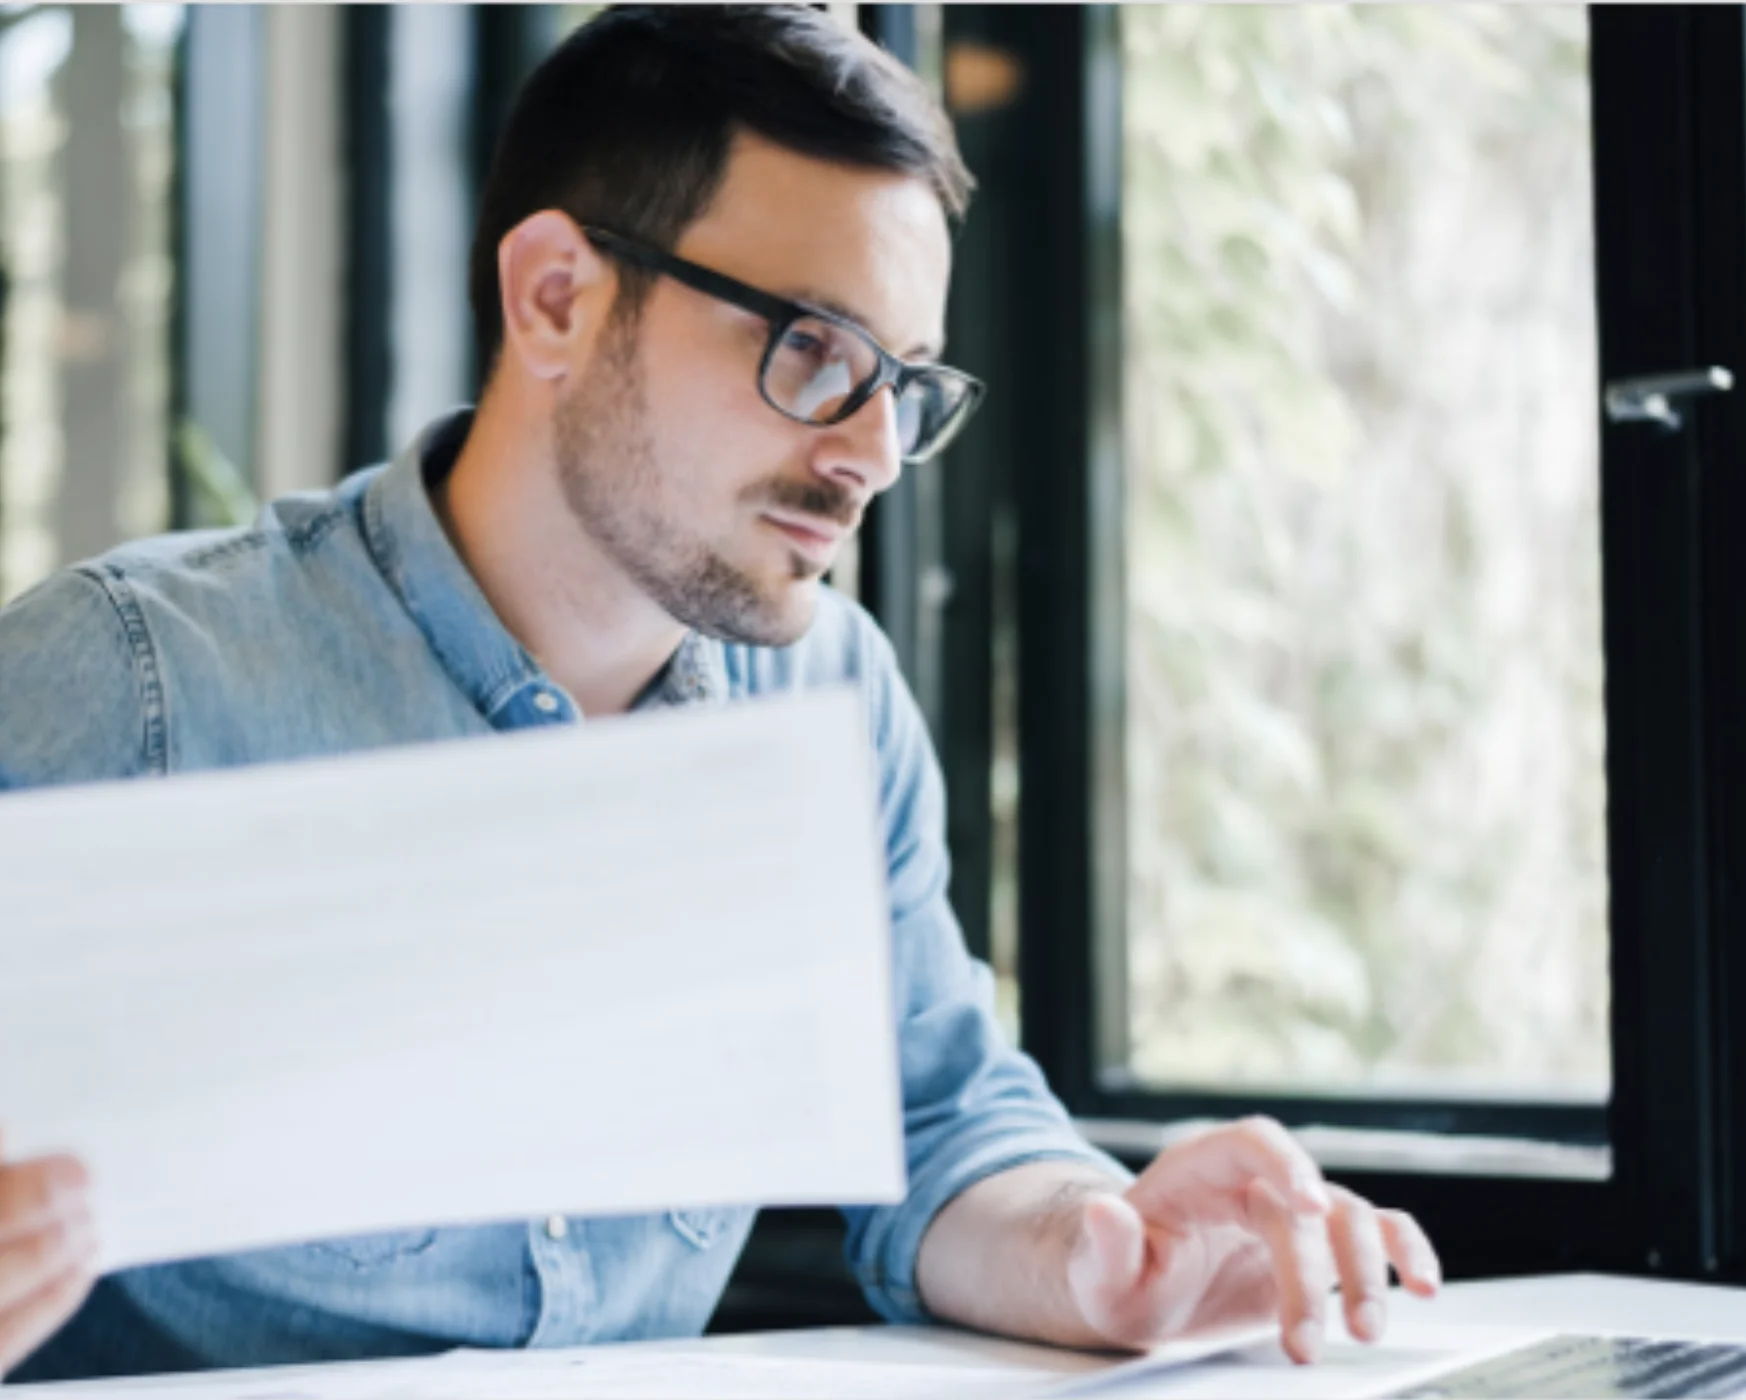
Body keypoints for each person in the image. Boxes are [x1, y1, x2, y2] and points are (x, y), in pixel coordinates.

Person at [0, 6, 1440, 1383]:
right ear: (556, 297)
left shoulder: (829, 698)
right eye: (811, 348)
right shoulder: (131, 686)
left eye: (907, 383)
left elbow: (937, 1122)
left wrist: (1102, 1259)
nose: (871, 452)